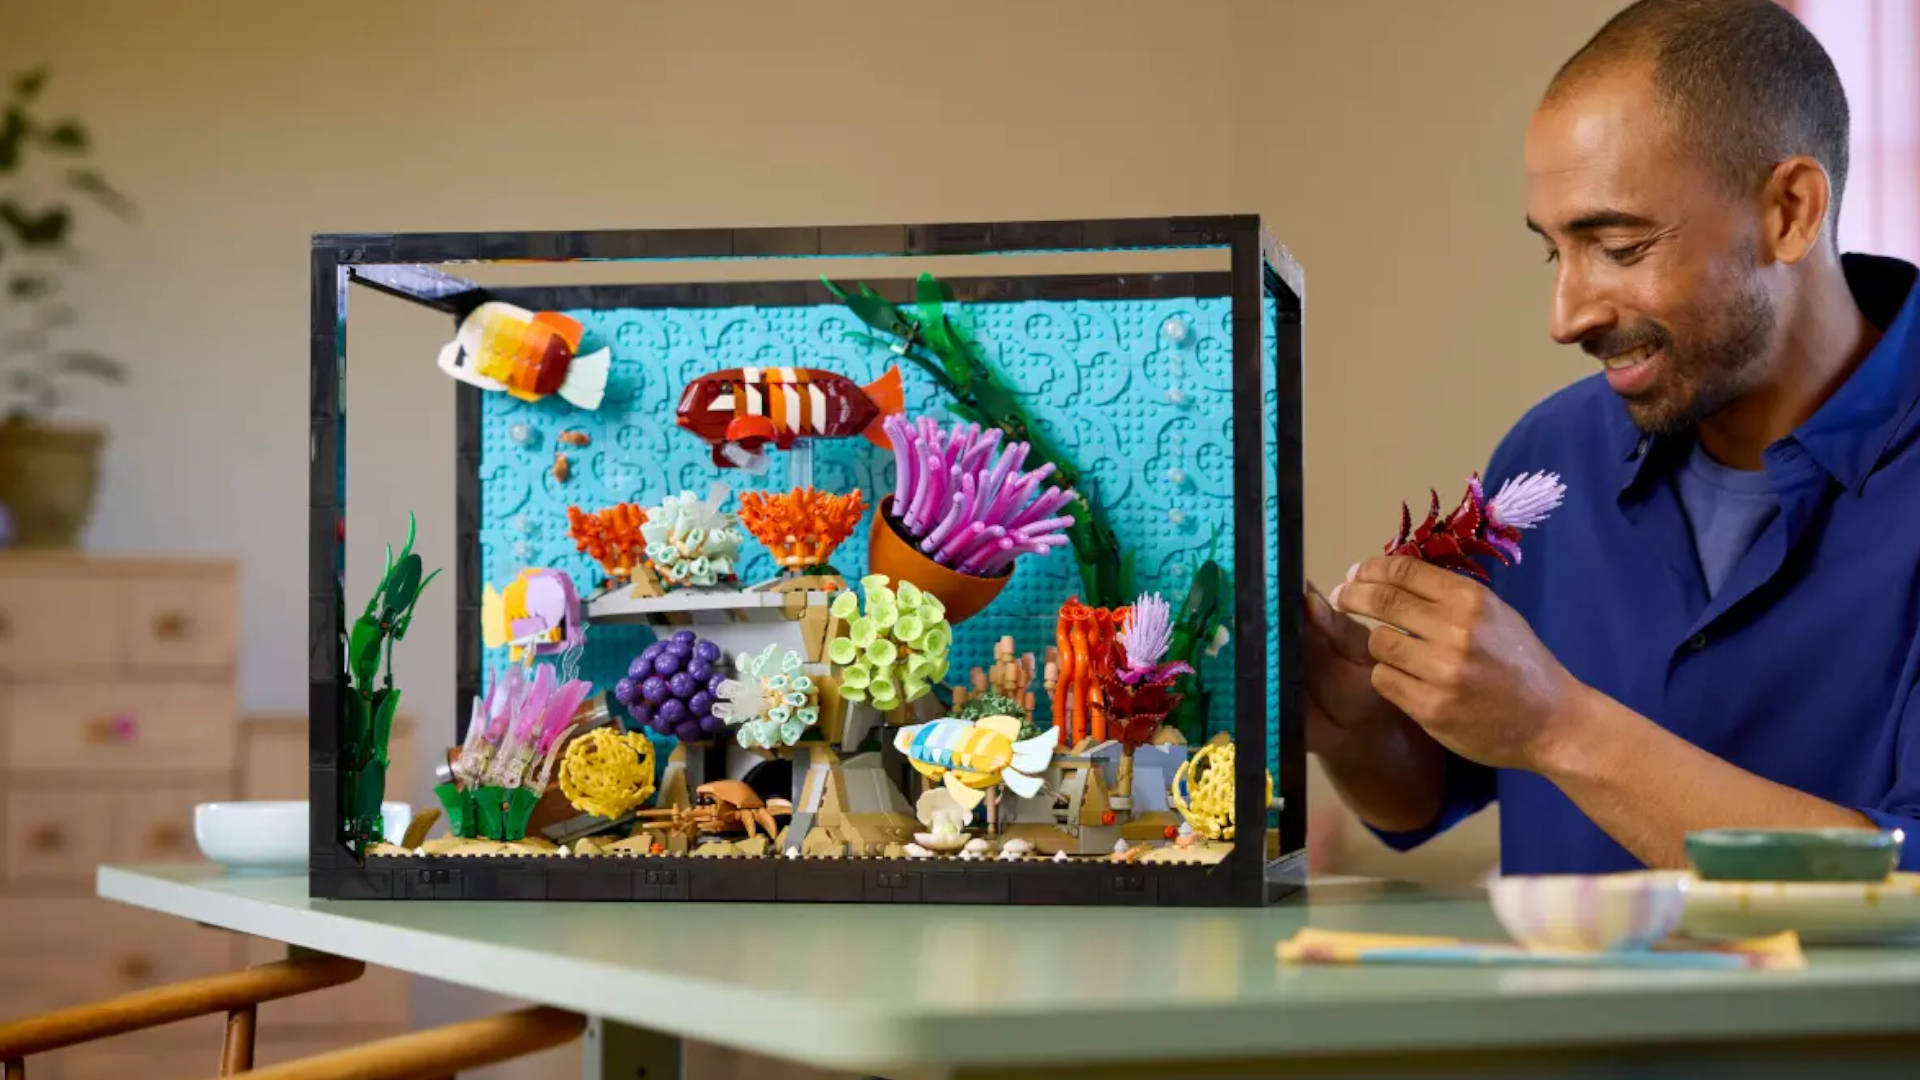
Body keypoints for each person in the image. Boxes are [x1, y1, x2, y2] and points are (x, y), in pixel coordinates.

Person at [1306, 0, 1920, 875]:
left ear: (1790, 209)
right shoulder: (1549, 457)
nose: (1566, 317)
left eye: (1621, 247)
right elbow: (1429, 793)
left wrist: (1561, 726)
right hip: (1555, 1020)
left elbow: (1908, 891)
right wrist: (1352, 722)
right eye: (1554, 252)